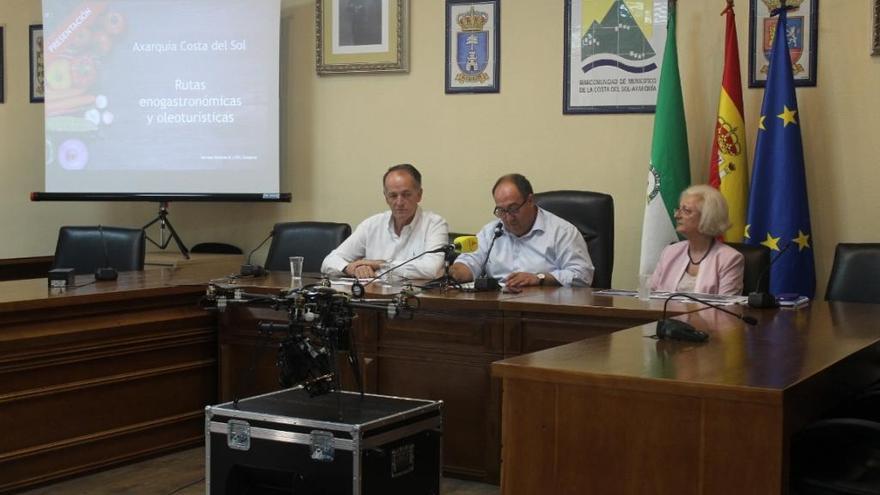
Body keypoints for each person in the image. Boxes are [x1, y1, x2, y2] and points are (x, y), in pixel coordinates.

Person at [450, 174, 594, 288]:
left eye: (513, 209)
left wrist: (539, 278)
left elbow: (582, 275)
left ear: (530, 200)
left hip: (544, 309)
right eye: (501, 210)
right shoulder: (492, 232)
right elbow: (470, 261)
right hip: (498, 308)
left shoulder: (562, 232)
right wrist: (456, 272)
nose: (508, 217)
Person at [321, 164, 449, 280]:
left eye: (406, 194)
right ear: (386, 197)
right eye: (393, 196)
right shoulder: (371, 225)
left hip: (415, 302)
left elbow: (432, 269)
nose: (399, 202)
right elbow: (329, 261)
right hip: (373, 299)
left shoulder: (435, 224)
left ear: (419, 194)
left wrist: (379, 264)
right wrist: (351, 268)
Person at [648, 184, 744, 295]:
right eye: (679, 209)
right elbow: (650, 294)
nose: (677, 215)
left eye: (686, 210)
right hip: (662, 312)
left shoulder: (729, 259)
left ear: (707, 217)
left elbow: (727, 308)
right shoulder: (670, 252)